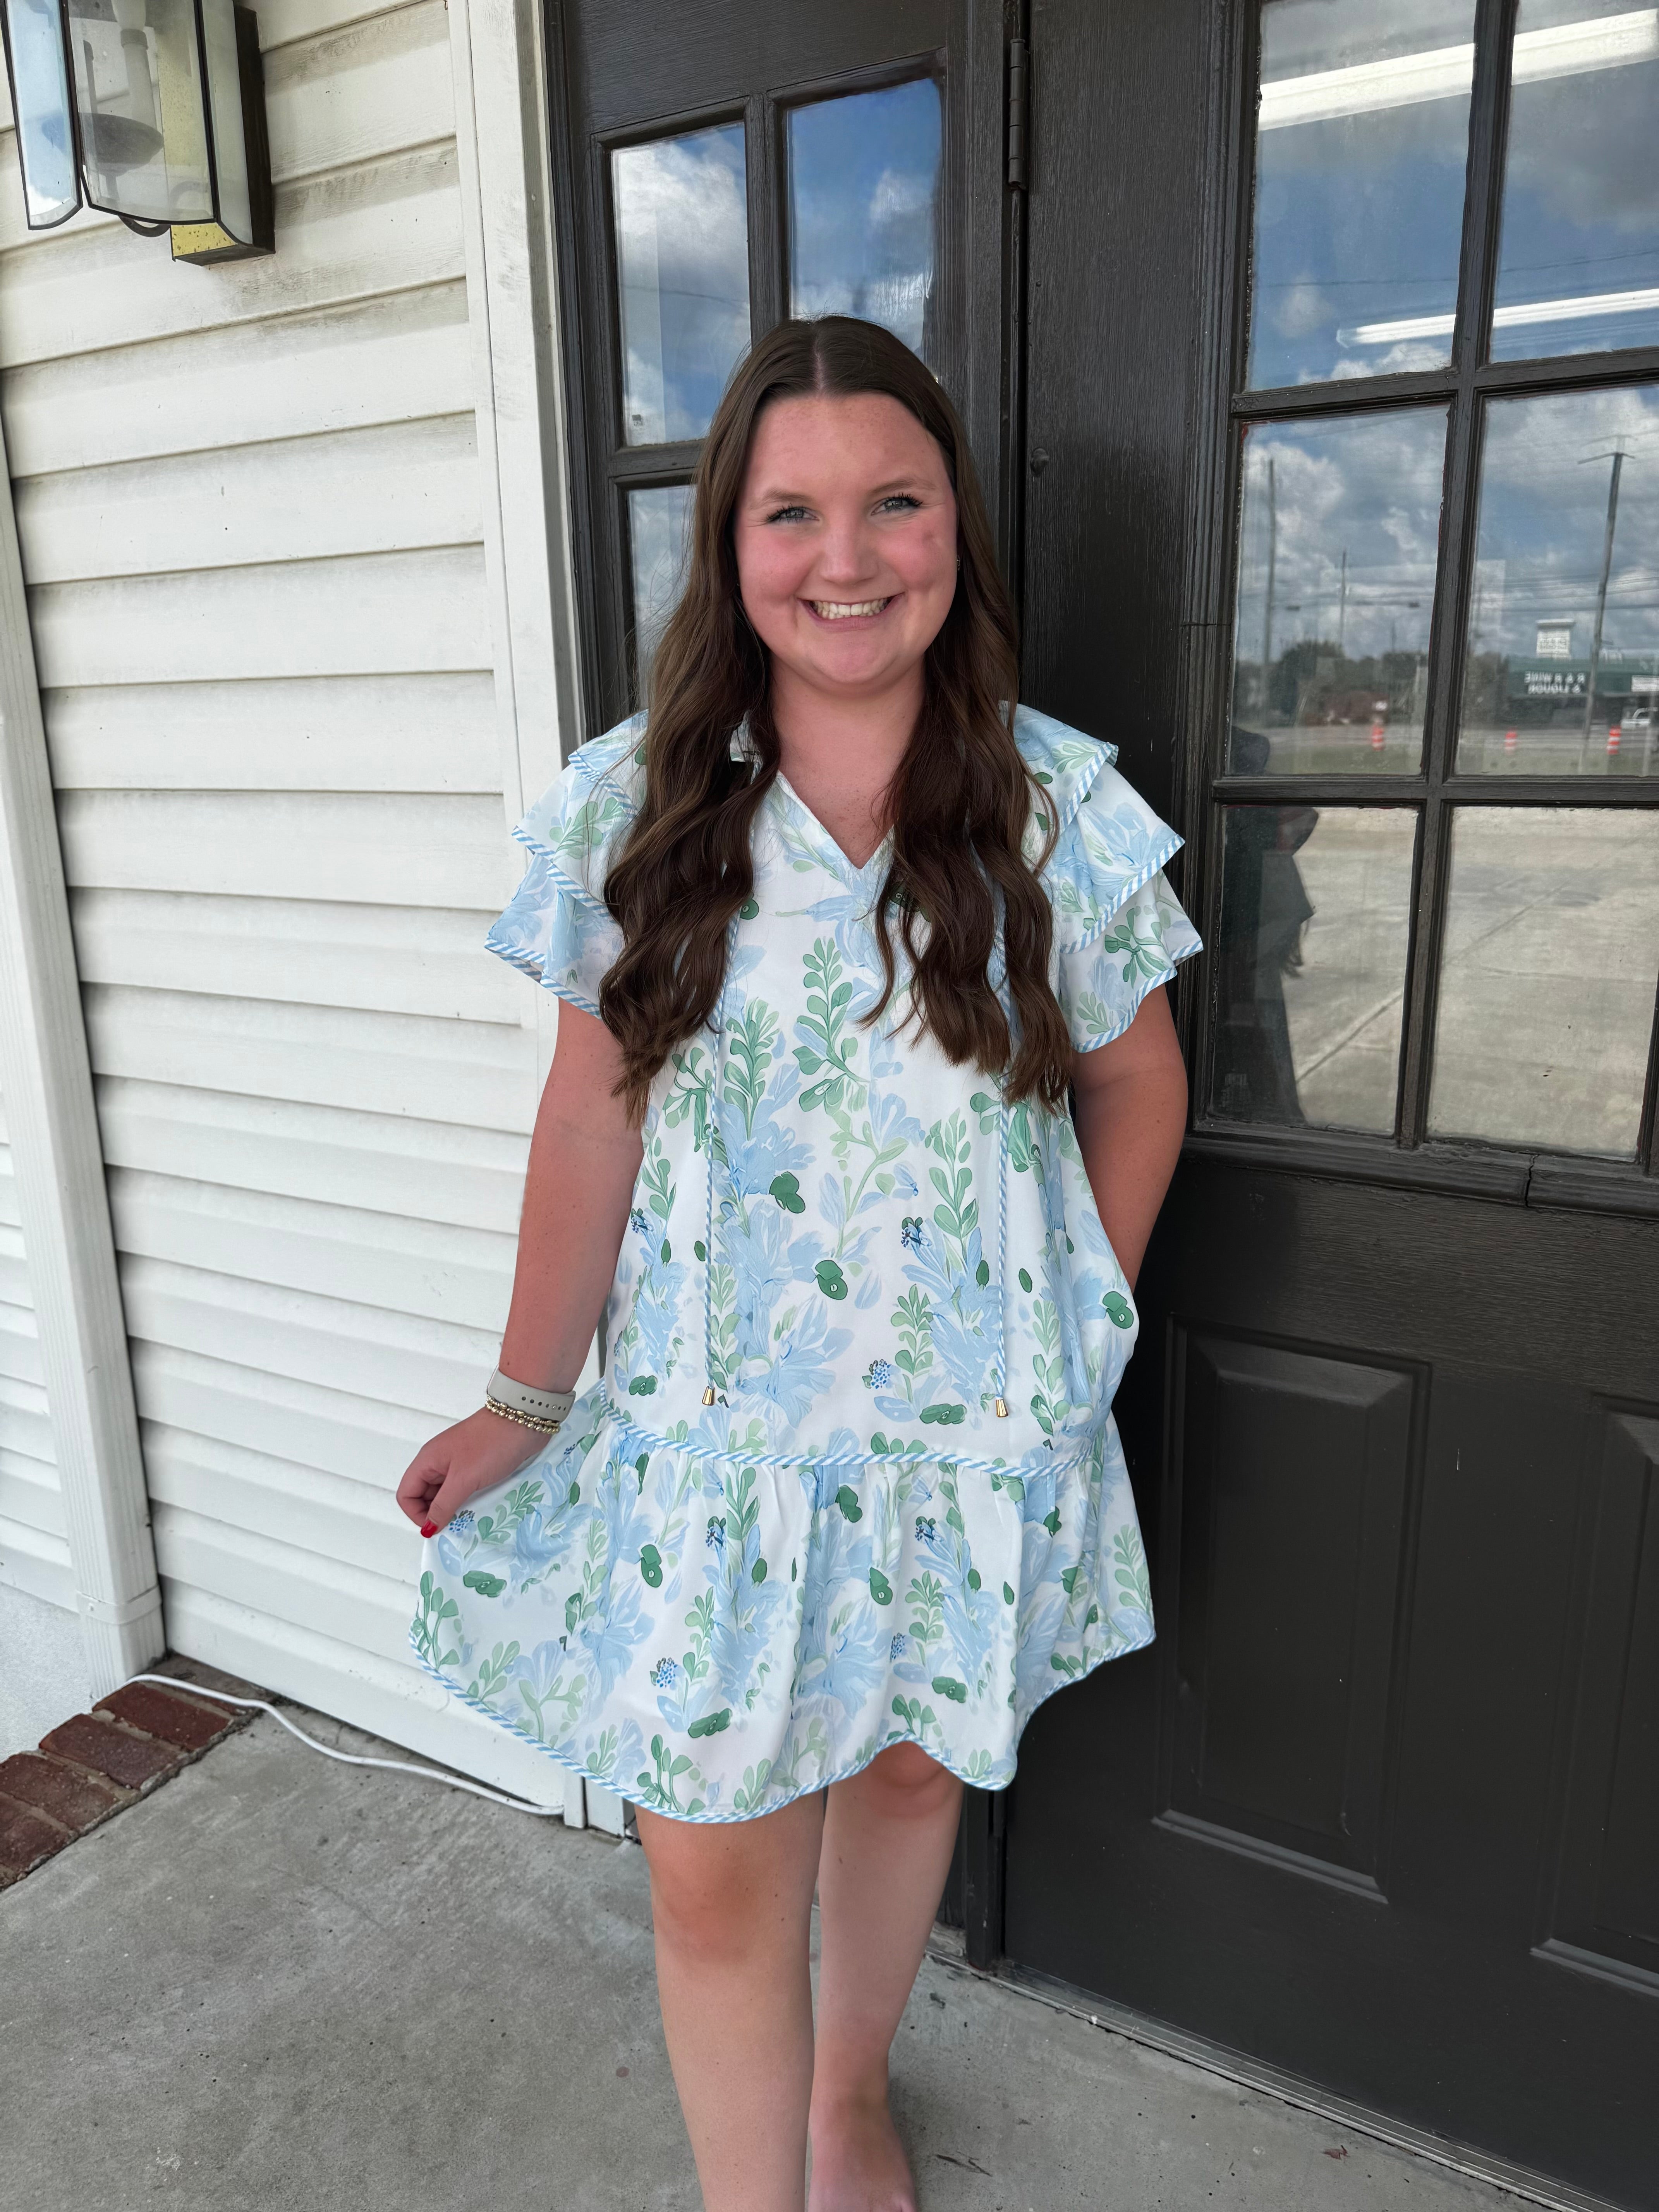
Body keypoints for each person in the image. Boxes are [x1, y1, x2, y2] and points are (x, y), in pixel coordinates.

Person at [397, 314, 1199, 2212]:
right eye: (794, 512)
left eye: (893, 502)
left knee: (913, 1775)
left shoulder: (1057, 808)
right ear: (732, 548)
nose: (848, 557)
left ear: (953, 532)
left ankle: (851, 2097)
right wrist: (525, 1398)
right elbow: (588, 1118)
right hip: (711, 1449)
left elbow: (1138, 1082)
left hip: (960, 1435)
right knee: (712, 1856)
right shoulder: (635, 809)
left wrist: (1074, 1329)